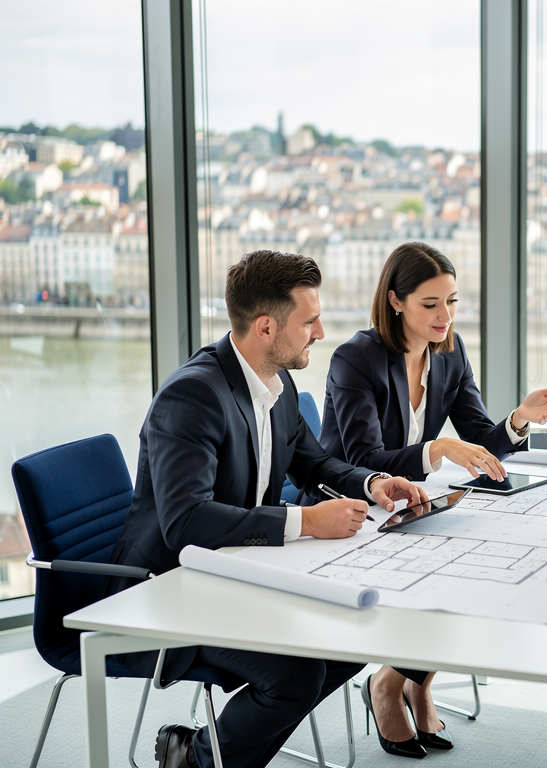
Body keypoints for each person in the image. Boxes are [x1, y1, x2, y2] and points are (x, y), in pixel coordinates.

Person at [107, 250, 431, 768]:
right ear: (265, 327)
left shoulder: (277, 385)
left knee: (349, 640)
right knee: (296, 675)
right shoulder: (192, 397)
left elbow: (314, 463)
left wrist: (373, 483)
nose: (320, 332)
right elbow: (185, 522)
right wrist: (306, 522)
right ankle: (198, 760)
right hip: (164, 591)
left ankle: (202, 753)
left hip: (237, 572)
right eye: (309, 321)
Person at [310, 240, 547, 755]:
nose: (444, 316)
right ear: (395, 300)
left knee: (483, 562)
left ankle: (409, 681)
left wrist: (518, 419)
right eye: (430, 304)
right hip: (349, 504)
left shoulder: (449, 351)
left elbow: (479, 439)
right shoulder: (356, 358)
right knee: (454, 570)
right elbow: (364, 458)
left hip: (407, 503)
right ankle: (389, 686)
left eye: (451, 302)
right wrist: (438, 448)